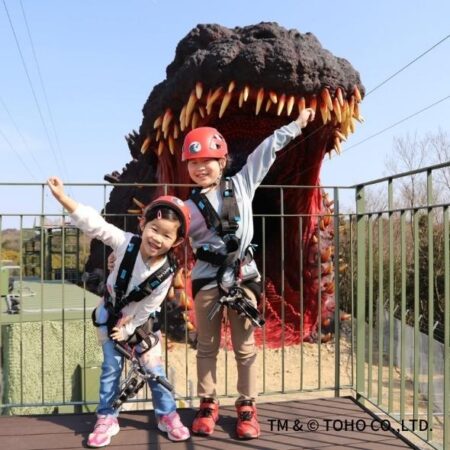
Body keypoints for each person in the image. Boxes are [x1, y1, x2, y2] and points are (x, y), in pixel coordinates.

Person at [182, 108, 315, 440]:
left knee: (244, 346)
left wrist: (295, 126)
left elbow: (267, 149)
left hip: (242, 276)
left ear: (223, 161)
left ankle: (246, 406)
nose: (201, 168)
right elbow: (162, 233)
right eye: (194, 163)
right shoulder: (186, 208)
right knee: (207, 346)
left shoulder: (241, 184)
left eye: (208, 161)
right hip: (206, 278)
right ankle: (208, 404)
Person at [47, 176, 191, 448]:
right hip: (110, 315)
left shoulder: (165, 274)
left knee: (154, 371)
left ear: (176, 241)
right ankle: (107, 417)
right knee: (111, 368)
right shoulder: (126, 243)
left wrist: (128, 328)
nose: (157, 238)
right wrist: (64, 200)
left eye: (166, 234)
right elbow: (97, 226)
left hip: (141, 324)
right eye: (154, 228)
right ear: (143, 225)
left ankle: (167, 415)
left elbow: (149, 306)